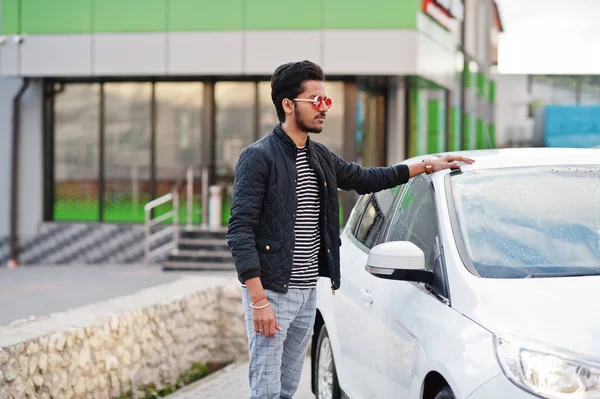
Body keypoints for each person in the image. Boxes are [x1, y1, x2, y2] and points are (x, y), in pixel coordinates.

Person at [225, 60, 474, 399]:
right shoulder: (258, 158)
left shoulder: (321, 157)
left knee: (286, 390)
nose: (324, 108)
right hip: (270, 292)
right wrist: (258, 301)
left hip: (305, 293)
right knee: (265, 391)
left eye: (326, 100)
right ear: (288, 105)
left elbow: (368, 179)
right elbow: (239, 230)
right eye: (316, 100)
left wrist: (427, 165)